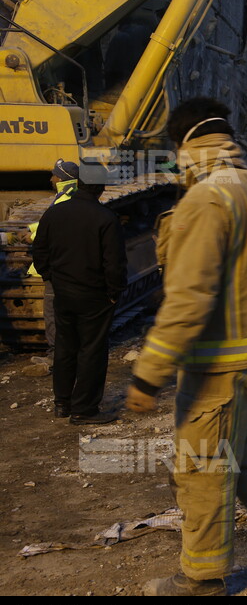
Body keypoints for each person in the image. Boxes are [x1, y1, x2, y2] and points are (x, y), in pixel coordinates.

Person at [124, 97, 247, 597]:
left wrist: (148, 373)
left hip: (219, 364)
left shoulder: (205, 200)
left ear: (185, 143)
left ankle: (202, 579)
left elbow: (189, 299)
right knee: (233, 452)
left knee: (201, 466)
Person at [32, 168, 126, 424]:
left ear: (78, 184)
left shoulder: (55, 212)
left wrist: (51, 277)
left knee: (65, 347)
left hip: (63, 294)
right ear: (101, 188)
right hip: (95, 296)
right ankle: (84, 410)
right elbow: (114, 263)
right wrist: (114, 292)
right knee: (92, 350)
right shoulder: (106, 218)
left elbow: (39, 250)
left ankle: (61, 403)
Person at [27, 159, 80, 356]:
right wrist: (31, 229)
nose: (51, 178)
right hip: (70, 268)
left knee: (54, 312)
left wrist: (32, 236)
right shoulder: (70, 196)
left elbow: (55, 227)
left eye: (54, 175)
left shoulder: (64, 200)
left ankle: (58, 353)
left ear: (61, 178)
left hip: (59, 270)